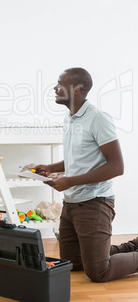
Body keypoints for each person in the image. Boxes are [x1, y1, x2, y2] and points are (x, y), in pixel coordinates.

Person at [35, 67, 138, 282]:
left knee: (98, 272)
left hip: (95, 203)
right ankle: (134, 246)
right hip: (71, 204)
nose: (55, 87)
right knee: (73, 264)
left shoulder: (98, 119)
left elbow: (117, 166)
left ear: (76, 91)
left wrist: (70, 181)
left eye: (60, 84)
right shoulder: (69, 118)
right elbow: (79, 158)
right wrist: (52, 168)